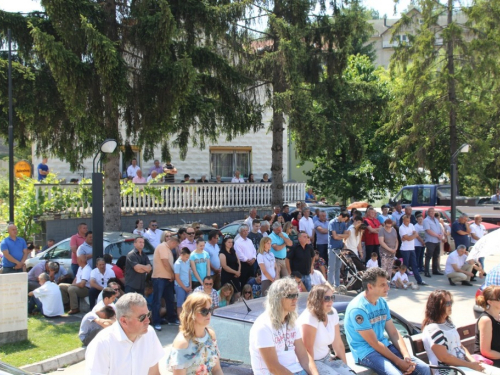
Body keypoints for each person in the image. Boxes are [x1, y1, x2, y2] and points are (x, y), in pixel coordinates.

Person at [344, 267, 430, 375]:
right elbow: (373, 343)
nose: (387, 288)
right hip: (366, 352)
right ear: (370, 287)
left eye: (387, 284)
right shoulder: (358, 309)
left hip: (384, 345)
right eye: (382, 285)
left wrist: (406, 356)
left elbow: (393, 333)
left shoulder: (381, 302)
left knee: (425, 369)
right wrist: (399, 362)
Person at [249, 278, 319, 375]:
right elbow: (274, 367)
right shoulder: (263, 326)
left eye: (296, 295)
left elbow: (303, 356)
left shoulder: (292, 322)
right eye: (290, 296)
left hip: (296, 370)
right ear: (277, 298)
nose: (295, 299)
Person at [85, 293, 164, 375]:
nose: (148, 321)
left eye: (148, 315)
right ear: (124, 321)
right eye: (142, 317)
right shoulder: (102, 344)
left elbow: (154, 372)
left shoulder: (149, 333)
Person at [422, 290, 488, 374]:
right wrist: (470, 365)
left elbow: (460, 346)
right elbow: (444, 358)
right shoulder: (433, 329)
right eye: (447, 303)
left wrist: (473, 361)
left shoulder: (449, 324)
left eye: (451, 303)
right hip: (448, 371)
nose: (450, 306)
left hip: (462, 367)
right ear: (436, 306)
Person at [298, 284, 354, 375]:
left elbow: (338, 344)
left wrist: (346, 368)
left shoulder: (332, 312)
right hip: (313, 361)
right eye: (327, 298)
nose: (331, 301)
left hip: (327, 357)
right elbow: (307, 352)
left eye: (332, 297)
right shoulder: (309, 317)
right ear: (317, 299)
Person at [167, 293, 223, 374]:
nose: (209, 314)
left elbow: (217, 370)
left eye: (210, 310)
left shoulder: (211, 334)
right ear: (191, 313)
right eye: (204, 311)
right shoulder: (182, 342)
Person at [152, 233, 179, 331]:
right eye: (175, 245)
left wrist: (171, 275)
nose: (174, 247)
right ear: (172, 242)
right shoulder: (162, 247)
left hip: (167, 278)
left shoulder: (167, 249)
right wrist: (172, 274)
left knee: (170, 300)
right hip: (159, 278)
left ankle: (171, 318)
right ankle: (156, 322)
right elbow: (165, 262)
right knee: (157, 301)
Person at [475, 285, 500, 367]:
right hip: (490, 361)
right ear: (490, 302)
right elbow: (486, 351)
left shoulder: (498, 316)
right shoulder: (486, 320)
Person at [399, 214, 426, 286]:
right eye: (406, 221)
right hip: (405, 249)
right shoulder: (401, 228)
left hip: (411, 248)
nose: (408, 222)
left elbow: (413, 235)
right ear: (403, 221)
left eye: (409, 221)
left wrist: (409, 237)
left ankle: (419, 280)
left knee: (415, 265)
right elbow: (408, 238)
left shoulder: (411, 225)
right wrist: (410, 237)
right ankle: (403, 281)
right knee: (405, 266)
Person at [328, 212, 350, 289]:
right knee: (331, 267)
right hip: (332, 248)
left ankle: (337, 284)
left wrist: (339, 235)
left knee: (338, 267)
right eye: (344, 218)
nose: (344, 221)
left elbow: (347, 235)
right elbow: (334, 237)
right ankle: (330, 285)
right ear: (340, 216)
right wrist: (340, 236)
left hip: (340, 247)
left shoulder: (343, 223)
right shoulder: (332, 223)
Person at [423, 207, 445, 278]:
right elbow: (428, 231)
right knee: (428, 256)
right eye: (430, 212)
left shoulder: (436, 220)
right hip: (430, 240)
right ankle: (426, 271)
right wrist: (437, 235)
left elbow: (440, 229)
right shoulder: (426, 220)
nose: (432, 213)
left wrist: (441, 235)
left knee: (436, 255)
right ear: (428, 212)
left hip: (437, 240)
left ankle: (435, 270)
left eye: (433, 212)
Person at [219, 236, 242, 300]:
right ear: (224, 243)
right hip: (227, 276)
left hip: (235, 276)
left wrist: (238, 271)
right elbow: (224, 266)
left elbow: (238, 262)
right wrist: (235, 272)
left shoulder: (233, 251)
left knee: (237, 293)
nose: (230, 243)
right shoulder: (222, 253)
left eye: (231, 242)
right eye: (229, 242)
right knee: (227, 294)